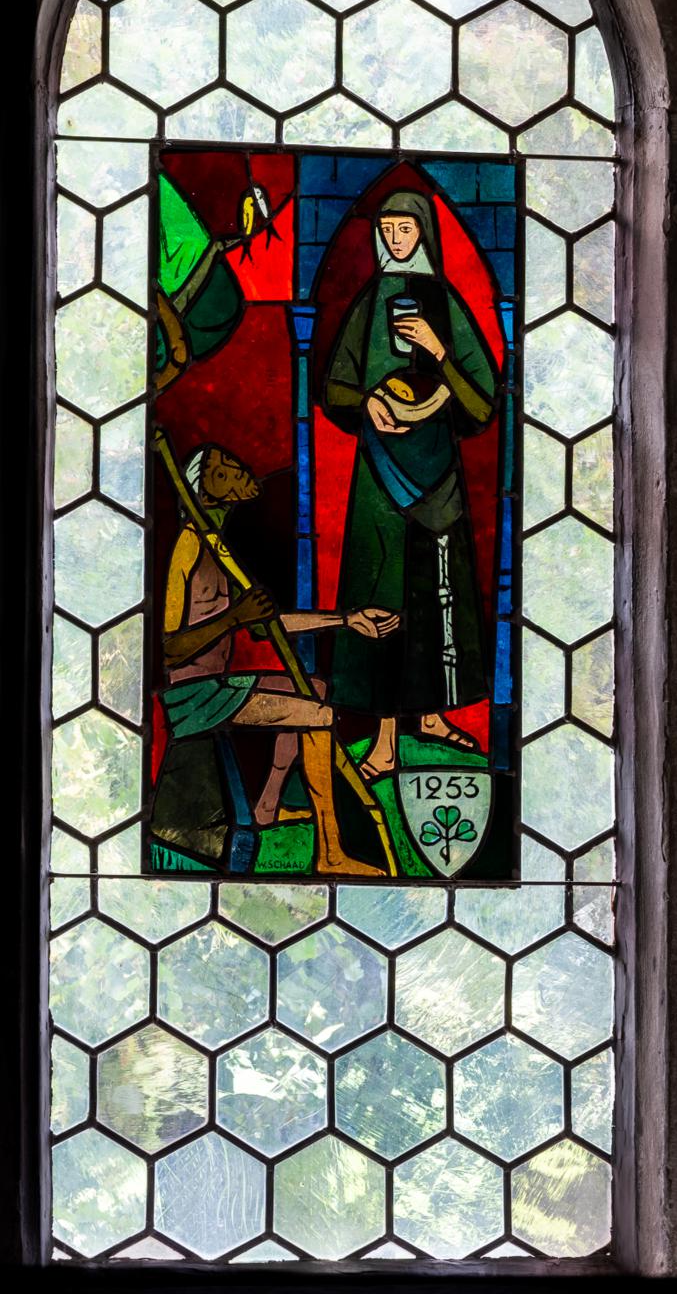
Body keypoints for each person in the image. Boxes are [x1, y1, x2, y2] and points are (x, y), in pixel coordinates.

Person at [151, 443, 397, 875]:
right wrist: (235, 617)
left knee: (315, 689)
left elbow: (268, 624)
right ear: (203, 493)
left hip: (219, 689)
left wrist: (346, 619)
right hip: (195, 698)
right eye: (222, 472)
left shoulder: (218, 549)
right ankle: (331, 854)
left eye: (232, 463)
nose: (237, 470)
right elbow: (171, 647)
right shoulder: (189, 546)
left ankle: (267, 806)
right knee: (318, 716)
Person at [322, 187, 499, 782]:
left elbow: (482, 399)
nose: (396, 239)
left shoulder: (444, 302)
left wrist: (437, 349)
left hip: (438, 478)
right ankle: (384, 740)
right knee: (383, 597)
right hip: (379, 479)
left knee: (437, 598)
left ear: (423, 233)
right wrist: (366, 403)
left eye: (406, 229)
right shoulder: (369, 302)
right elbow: (335, 385)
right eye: (388, 229)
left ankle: (432, 717)